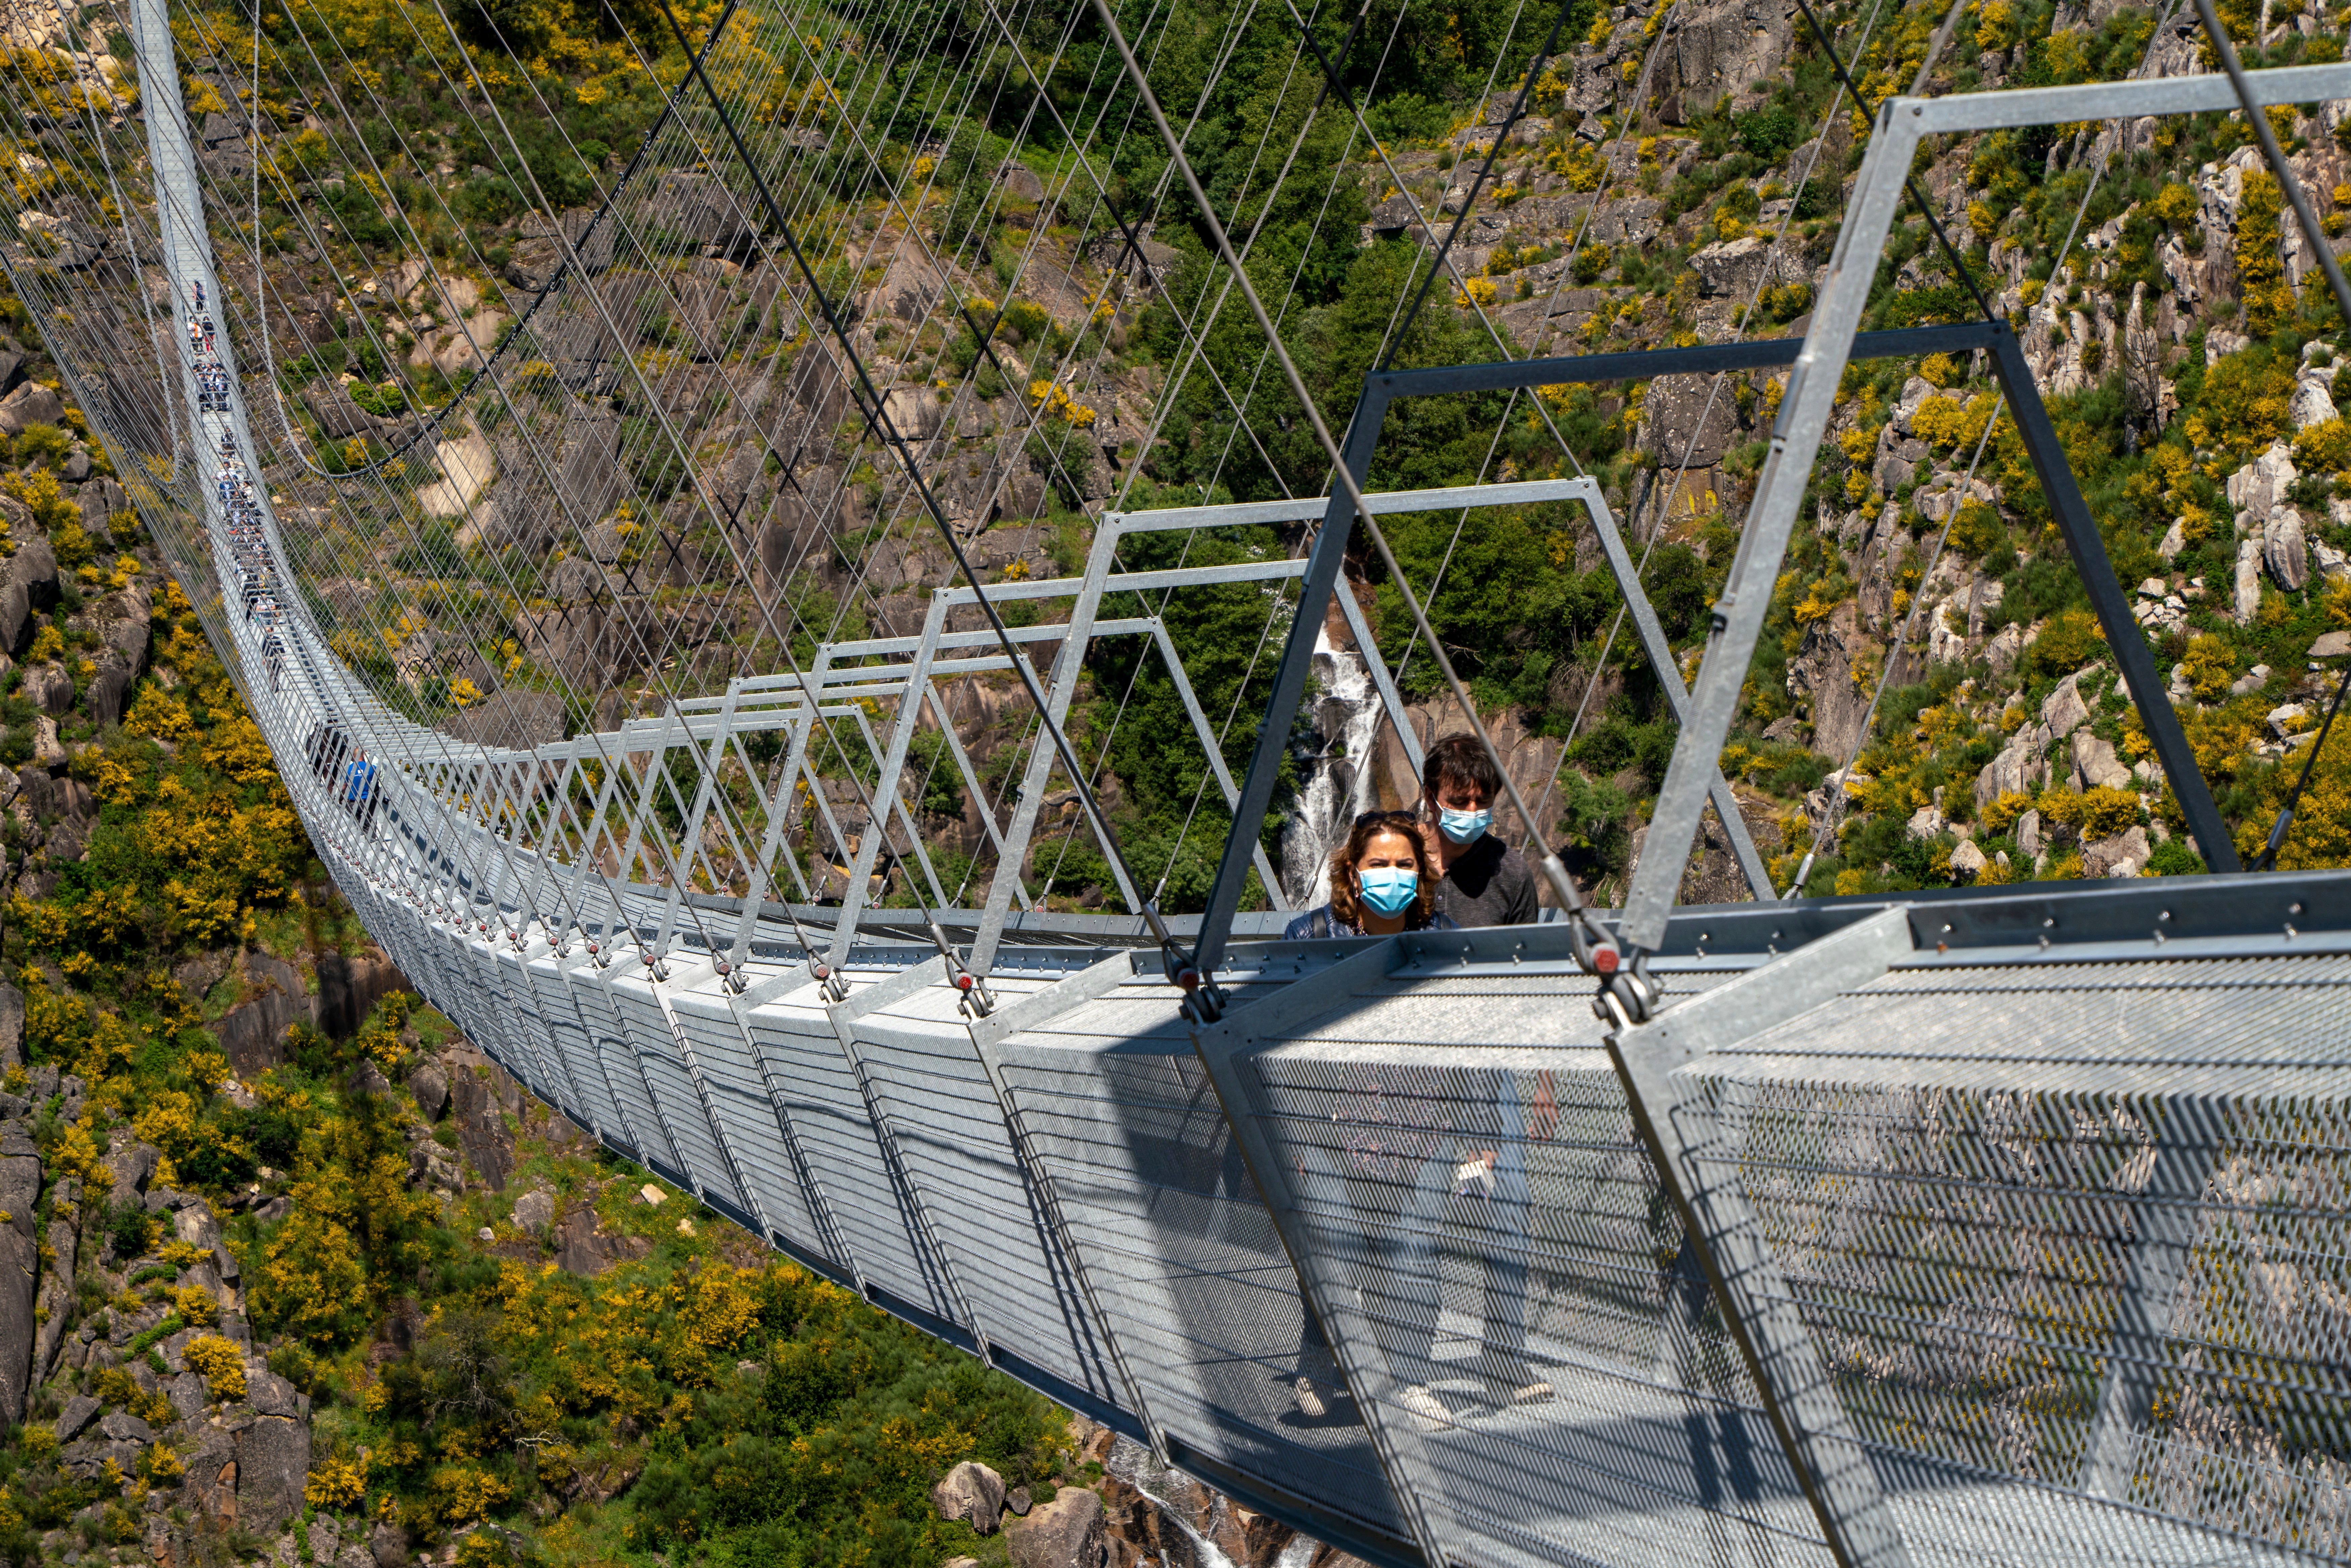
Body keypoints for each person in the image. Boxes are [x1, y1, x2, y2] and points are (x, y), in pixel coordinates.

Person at [1418, 732, 1538, 928]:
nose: (1473, 810)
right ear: (1431, 798)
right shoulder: (1393, 855)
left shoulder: (1512, 872)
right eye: (1460, 801)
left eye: (1483, 801)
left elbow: (1525, 952)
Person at [1283, 811, 1455, 940]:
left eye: (1405, 865)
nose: (1393, 874)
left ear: (1420, 872)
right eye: (1378, 864)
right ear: (1352, 873)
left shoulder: (1446, 935)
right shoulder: (1307, 935)